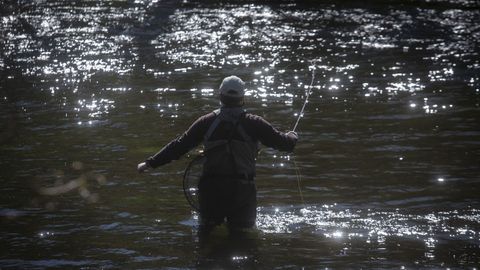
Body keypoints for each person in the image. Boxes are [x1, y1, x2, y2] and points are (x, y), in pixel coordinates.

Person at [137, 75, 298, 237]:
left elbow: (179, 146)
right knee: (244, 237)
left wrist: (150, 163)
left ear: (220, 96)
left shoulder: (206, 122)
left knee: (207, 235)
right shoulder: (254, 123)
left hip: (211, 191)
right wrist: (292, 136)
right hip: (242, 190)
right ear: (242, 98)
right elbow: (285, 144)